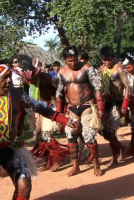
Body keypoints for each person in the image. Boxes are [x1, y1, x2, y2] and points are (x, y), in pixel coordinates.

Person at [0, 63, 74, 200]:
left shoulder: (16, 95)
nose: (9, 80)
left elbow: (40, 107)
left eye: (9, 77)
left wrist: (65, 120)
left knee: (24, 186)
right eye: (4, 78)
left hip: (11, 147)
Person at [56, 46, 103, 176]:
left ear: (78, 56)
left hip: (87, 105)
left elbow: (97, 88)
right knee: (71, 135)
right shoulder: (61, 72)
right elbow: (59, 92)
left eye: (75, 59)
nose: (73, 63)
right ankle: (75, 166)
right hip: (72, 107)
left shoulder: (88, 68)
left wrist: (100, 107)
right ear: (65, 60)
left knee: (88, 135)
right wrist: (59, 113)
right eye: (69, 61)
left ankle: (96, 164)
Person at [98, 46, 130, 168]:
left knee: (111, 130)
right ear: (102, 60)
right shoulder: (101, 70)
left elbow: (127, 87)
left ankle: (115, 157)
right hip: (106, 102)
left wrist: (124, 105)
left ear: (113, 58)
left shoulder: (119, 68)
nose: (108, 62)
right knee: (101, 128)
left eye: (110, 59)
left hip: (118, 102)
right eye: (105, 60)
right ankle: (120, 147)